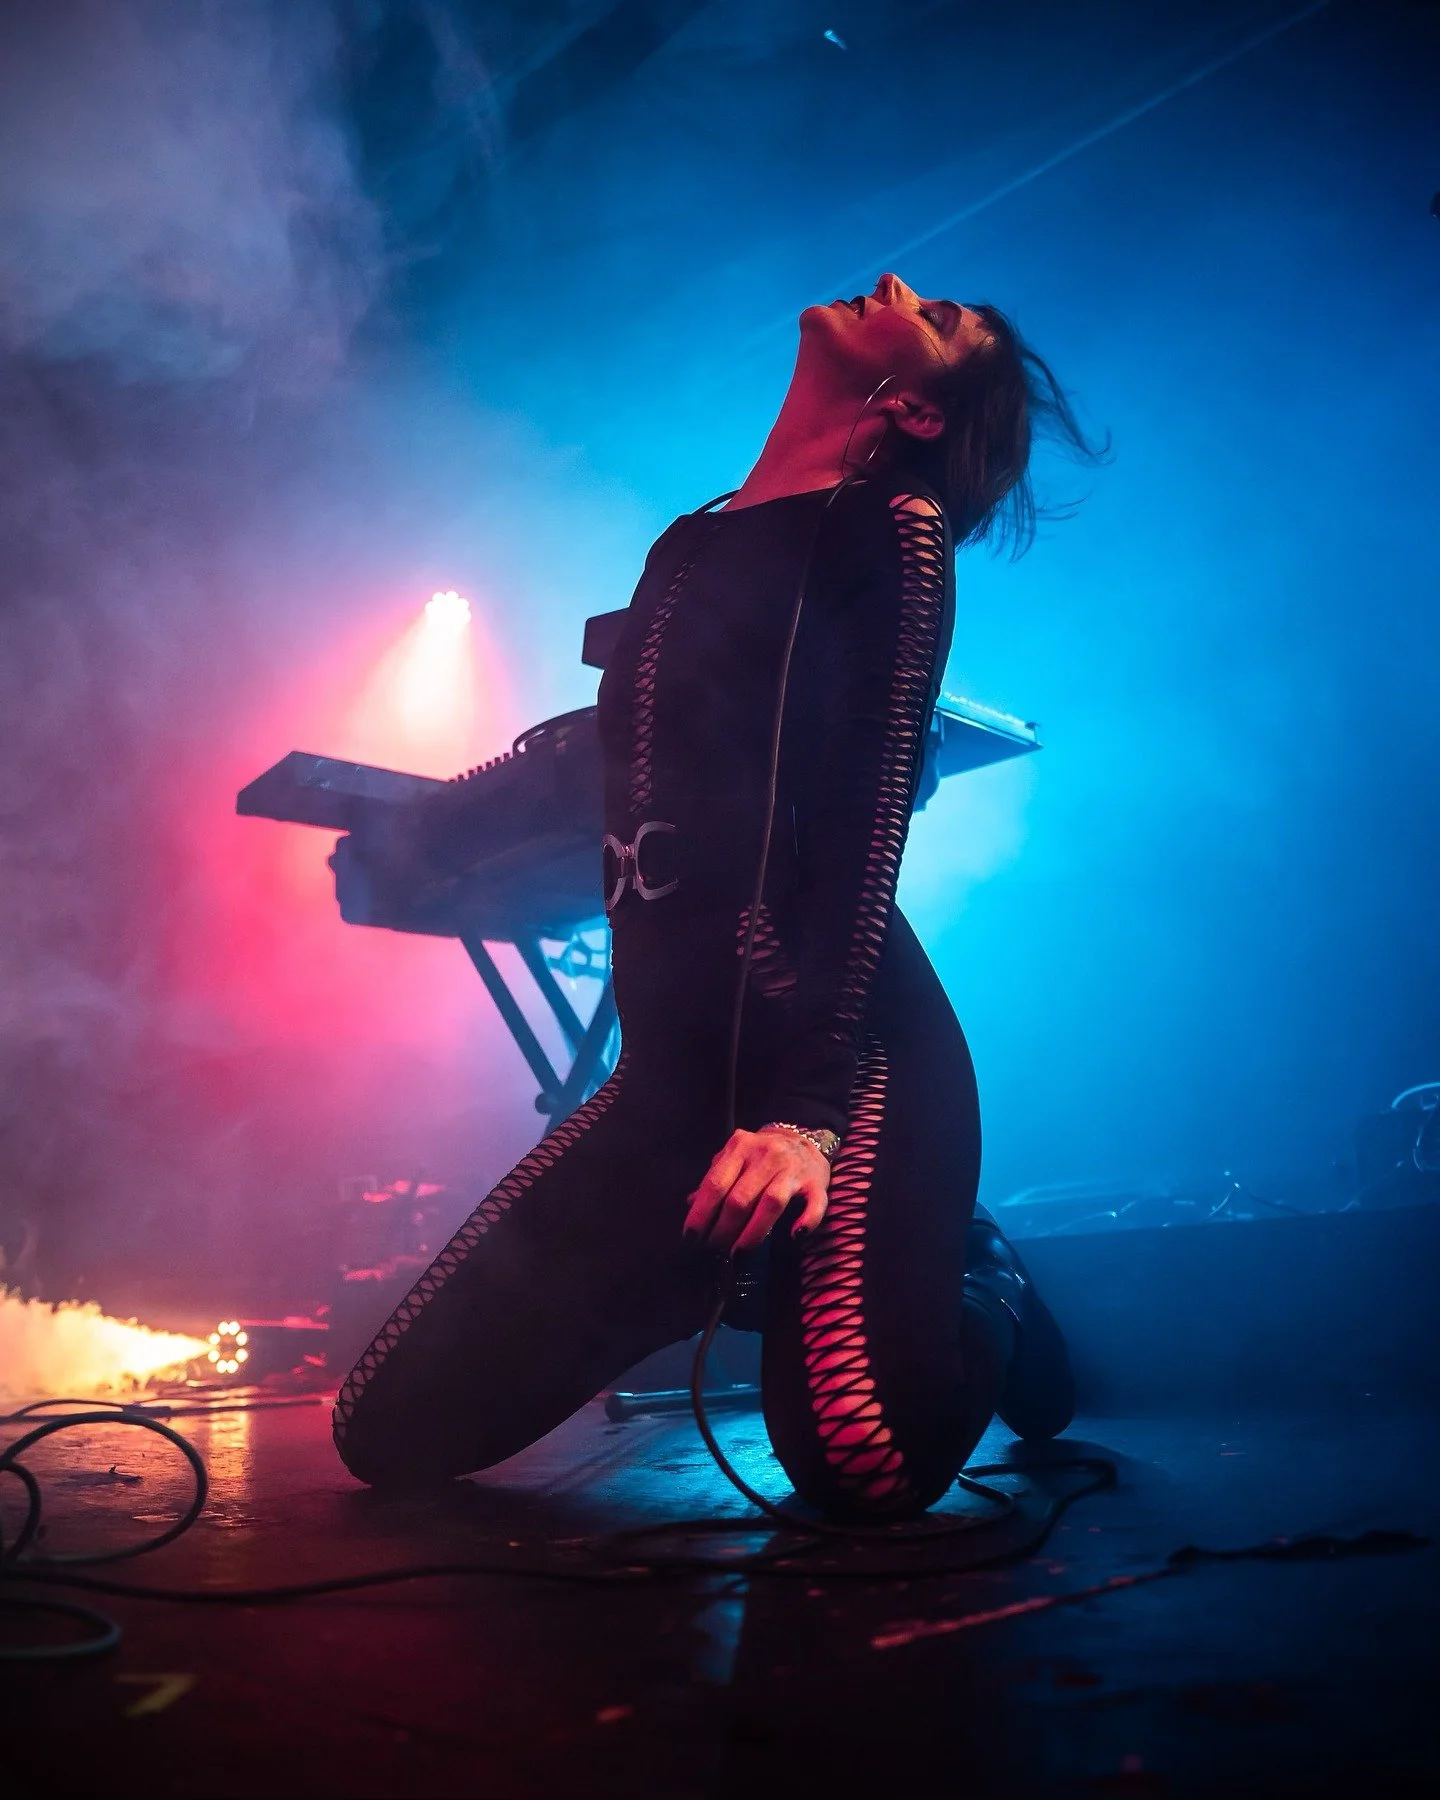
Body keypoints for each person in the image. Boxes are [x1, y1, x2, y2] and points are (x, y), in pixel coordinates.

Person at [333, 272, 1097, 1518]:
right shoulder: (686, 542)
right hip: (672, 1080)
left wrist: (803, 1116)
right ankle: (688, 1273)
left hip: (849, 1067)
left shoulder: (893, 530)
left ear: (915, 408)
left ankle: (983, 1281)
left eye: (938, 319)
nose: (898, 285)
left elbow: (860, 824)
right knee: (386, 1430)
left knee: (861, 1462)